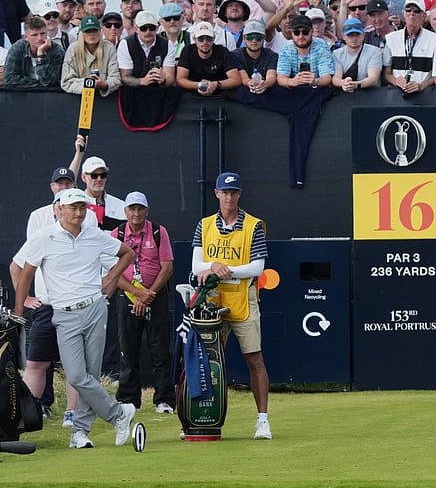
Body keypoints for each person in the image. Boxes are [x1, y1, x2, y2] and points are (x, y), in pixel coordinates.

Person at [13, 188, 138, 449]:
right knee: (77, 374)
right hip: (63, 314)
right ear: (59, 209)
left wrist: (111, 277)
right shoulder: (43, 237)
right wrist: (18, 310)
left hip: (94, 308)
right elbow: (25, 274)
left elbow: (127, 254)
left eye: (82, 207)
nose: (79, 212)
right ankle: (118, 414)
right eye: (73, 208)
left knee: (90, 373)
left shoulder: (94, 235)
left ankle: (79, 433)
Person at [191, 172, 272, 437]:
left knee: (254, 358)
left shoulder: (254, 225)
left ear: (239, 194)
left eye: (233, 192)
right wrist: (214, 267)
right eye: (224, 192)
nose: (229, 197)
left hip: (243, 300)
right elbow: (196, 265)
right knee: (206, 361)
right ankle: (202, 419)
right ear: (216, 194)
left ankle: (262, 420)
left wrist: (224, 270)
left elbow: (258, 267)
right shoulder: (204, 226)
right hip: (212, 300)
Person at [110, 192, 175, 413]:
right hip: (127, 296)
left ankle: (164, 399)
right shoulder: (116, 234)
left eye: (140, 209)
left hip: (155, 297)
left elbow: (167, 268)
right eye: (132, 209)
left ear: (147, 211)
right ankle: (128, 400)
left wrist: (149, 294)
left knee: (160, 350)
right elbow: (112, 273)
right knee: (128, 349)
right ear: (125, 211)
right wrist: (138, 294)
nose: (136, 213)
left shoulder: (158, 232)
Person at [383, 0, 436, 94]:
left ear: (424, 16)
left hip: (425, 95)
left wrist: (421, 86)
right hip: (397, 94)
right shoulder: (391, 38)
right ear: (403, 13)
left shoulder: (435, 39)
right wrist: (396, 81)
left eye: (417, 11)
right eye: (408, 10)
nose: (412, 14)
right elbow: (386, 73)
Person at [175, 21, 242, 96]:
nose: (205, 42)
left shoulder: (222, 51)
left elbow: (236, 79)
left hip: (219, 95)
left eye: (208, 38)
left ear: (214, 39)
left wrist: (216, 85)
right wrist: (200, 85)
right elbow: (180, 80)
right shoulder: (188, 51)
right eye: (201, 39)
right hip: (193, 95)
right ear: (194, 39)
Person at [61, 15, 120, 96]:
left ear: (100, 31)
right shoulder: (73, 49)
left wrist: (105, 84)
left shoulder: (109, 48)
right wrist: (89, 83)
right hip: (78, 97)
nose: (92, 34)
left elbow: (116, 78)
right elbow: (66, 82)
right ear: (82, 33)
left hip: (105, 99)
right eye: (88, 31)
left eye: (94, 30)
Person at [3, 15, 64, 90]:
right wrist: (38, 83)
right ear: (26, 37)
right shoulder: (17, 49)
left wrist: (40, 55)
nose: (39, 38)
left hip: (49, 96)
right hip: (22, 96)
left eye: (42, 33)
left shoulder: (57, 51)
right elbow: (9, 79)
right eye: (34, 35)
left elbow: (47, 82)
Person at [332, 18, 383, 93]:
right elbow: (336, 78)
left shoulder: (374, 51)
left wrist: (356, 85)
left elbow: (373, 78)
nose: (354, 38)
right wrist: (344, 83)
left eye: (357, 34)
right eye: (350, 35)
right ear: (343, 36)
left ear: (363, 35)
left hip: (370, 94)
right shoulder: (337, 54)